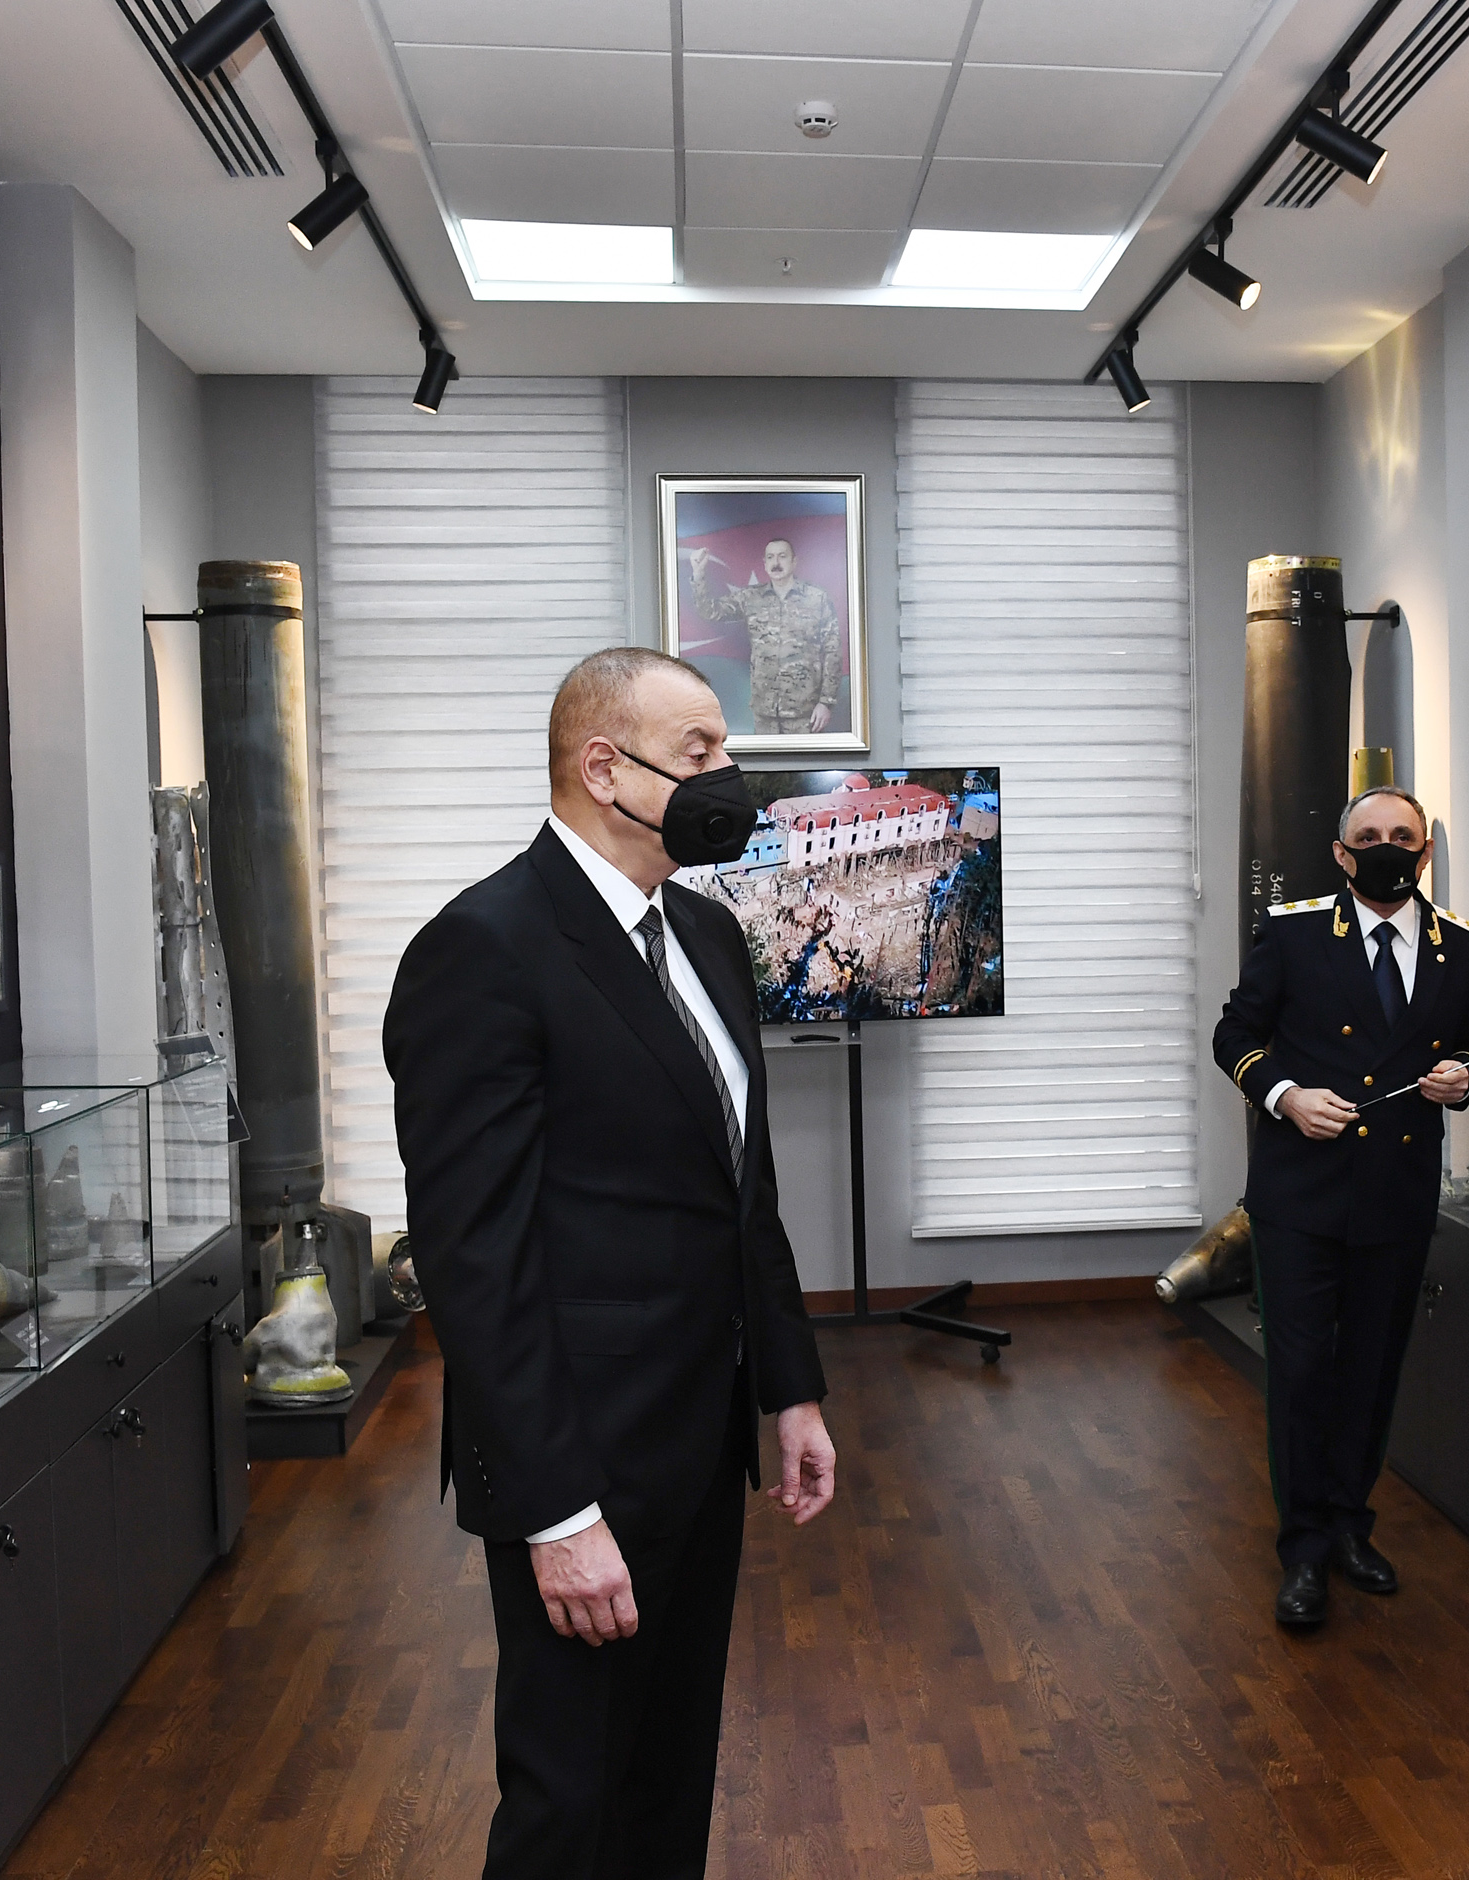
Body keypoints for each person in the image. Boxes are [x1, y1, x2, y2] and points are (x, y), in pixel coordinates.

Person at [383, 645, 836, 1878]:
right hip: (579, 1460)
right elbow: (475, 1262)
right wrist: (555, 1512)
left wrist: (787, 1388)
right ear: (603, 768)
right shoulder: (481, 948)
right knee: (567, 1802)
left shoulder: (708, 932)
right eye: (702, 752)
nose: (729, 775)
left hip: (701, 1439)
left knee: (666, 1776)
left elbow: (742, 1190)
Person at [1211, 785, 1469, 1628]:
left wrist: (1463, 1078)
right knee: (1301, 1374)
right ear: (1340, 854)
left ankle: (1347, 1526)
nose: (1385, 849)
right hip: (1300, 1194)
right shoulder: (1294, 933)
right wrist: (1285, 1096)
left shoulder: (1462, 947)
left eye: (1401, 836)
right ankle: (1301, 1549)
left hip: (1395, 1196)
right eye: (1367, 837)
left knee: (1370, 1371)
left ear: (1424, 851)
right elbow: (1234, 1035)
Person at [683, 536, 844, 736]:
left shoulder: (816, 599)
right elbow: (710, 611)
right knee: (766, 758)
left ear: (794, 561)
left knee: (805, 758)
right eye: (770, 557)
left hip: (806, 712)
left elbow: (832, 651)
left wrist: (826, 702)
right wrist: (698, 574)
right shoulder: (750, 598)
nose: (776, 562)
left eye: (782, 556)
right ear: (765, 564)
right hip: (765, 711)